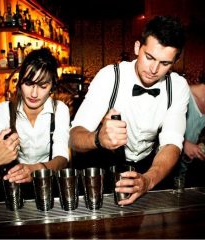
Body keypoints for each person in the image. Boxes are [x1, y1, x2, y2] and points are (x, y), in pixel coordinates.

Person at [69, 15, 190, 205]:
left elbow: (172, 144)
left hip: (151, 169)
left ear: (174, 62)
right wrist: (97, 138)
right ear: (136, 48)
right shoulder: (110, 77)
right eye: (149, 57)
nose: (154, 69)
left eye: (165, 63)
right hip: (106, 169)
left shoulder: (178, 86)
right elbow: (74, 137)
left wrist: (148, 180)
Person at [0, 48, 70, 184]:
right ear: (19, 82)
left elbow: (62, 158)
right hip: (13, 185)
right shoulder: (3, 111)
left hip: (47, 183)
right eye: (28, 83)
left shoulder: (60, 110)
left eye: (43, 86)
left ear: (52, 86)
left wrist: (35, 170)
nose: (34, 94)